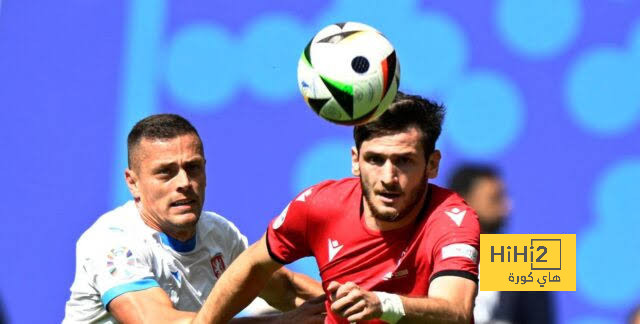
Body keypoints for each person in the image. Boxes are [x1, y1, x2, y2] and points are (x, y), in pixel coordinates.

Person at [194, 92, 481, 324]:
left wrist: (382, 304)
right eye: (375, 160)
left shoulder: (452, 219)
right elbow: (253, 265)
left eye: (404, 161)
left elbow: (455, 311)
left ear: (432, 164)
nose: (388, 178)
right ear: (355, 160)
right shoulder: (318, 206)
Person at [63, 114, 325, 323]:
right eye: (166, 173)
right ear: (133, 182)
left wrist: (358, 307)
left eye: (193, 167)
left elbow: (288, 290)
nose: (185, 183)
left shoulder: (220, 234)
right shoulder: (111, 242)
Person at [448, 164, 556, 324]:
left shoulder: (527, 259)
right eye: (495, 198)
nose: (508, 207)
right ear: (463, 201)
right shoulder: (429, 253)